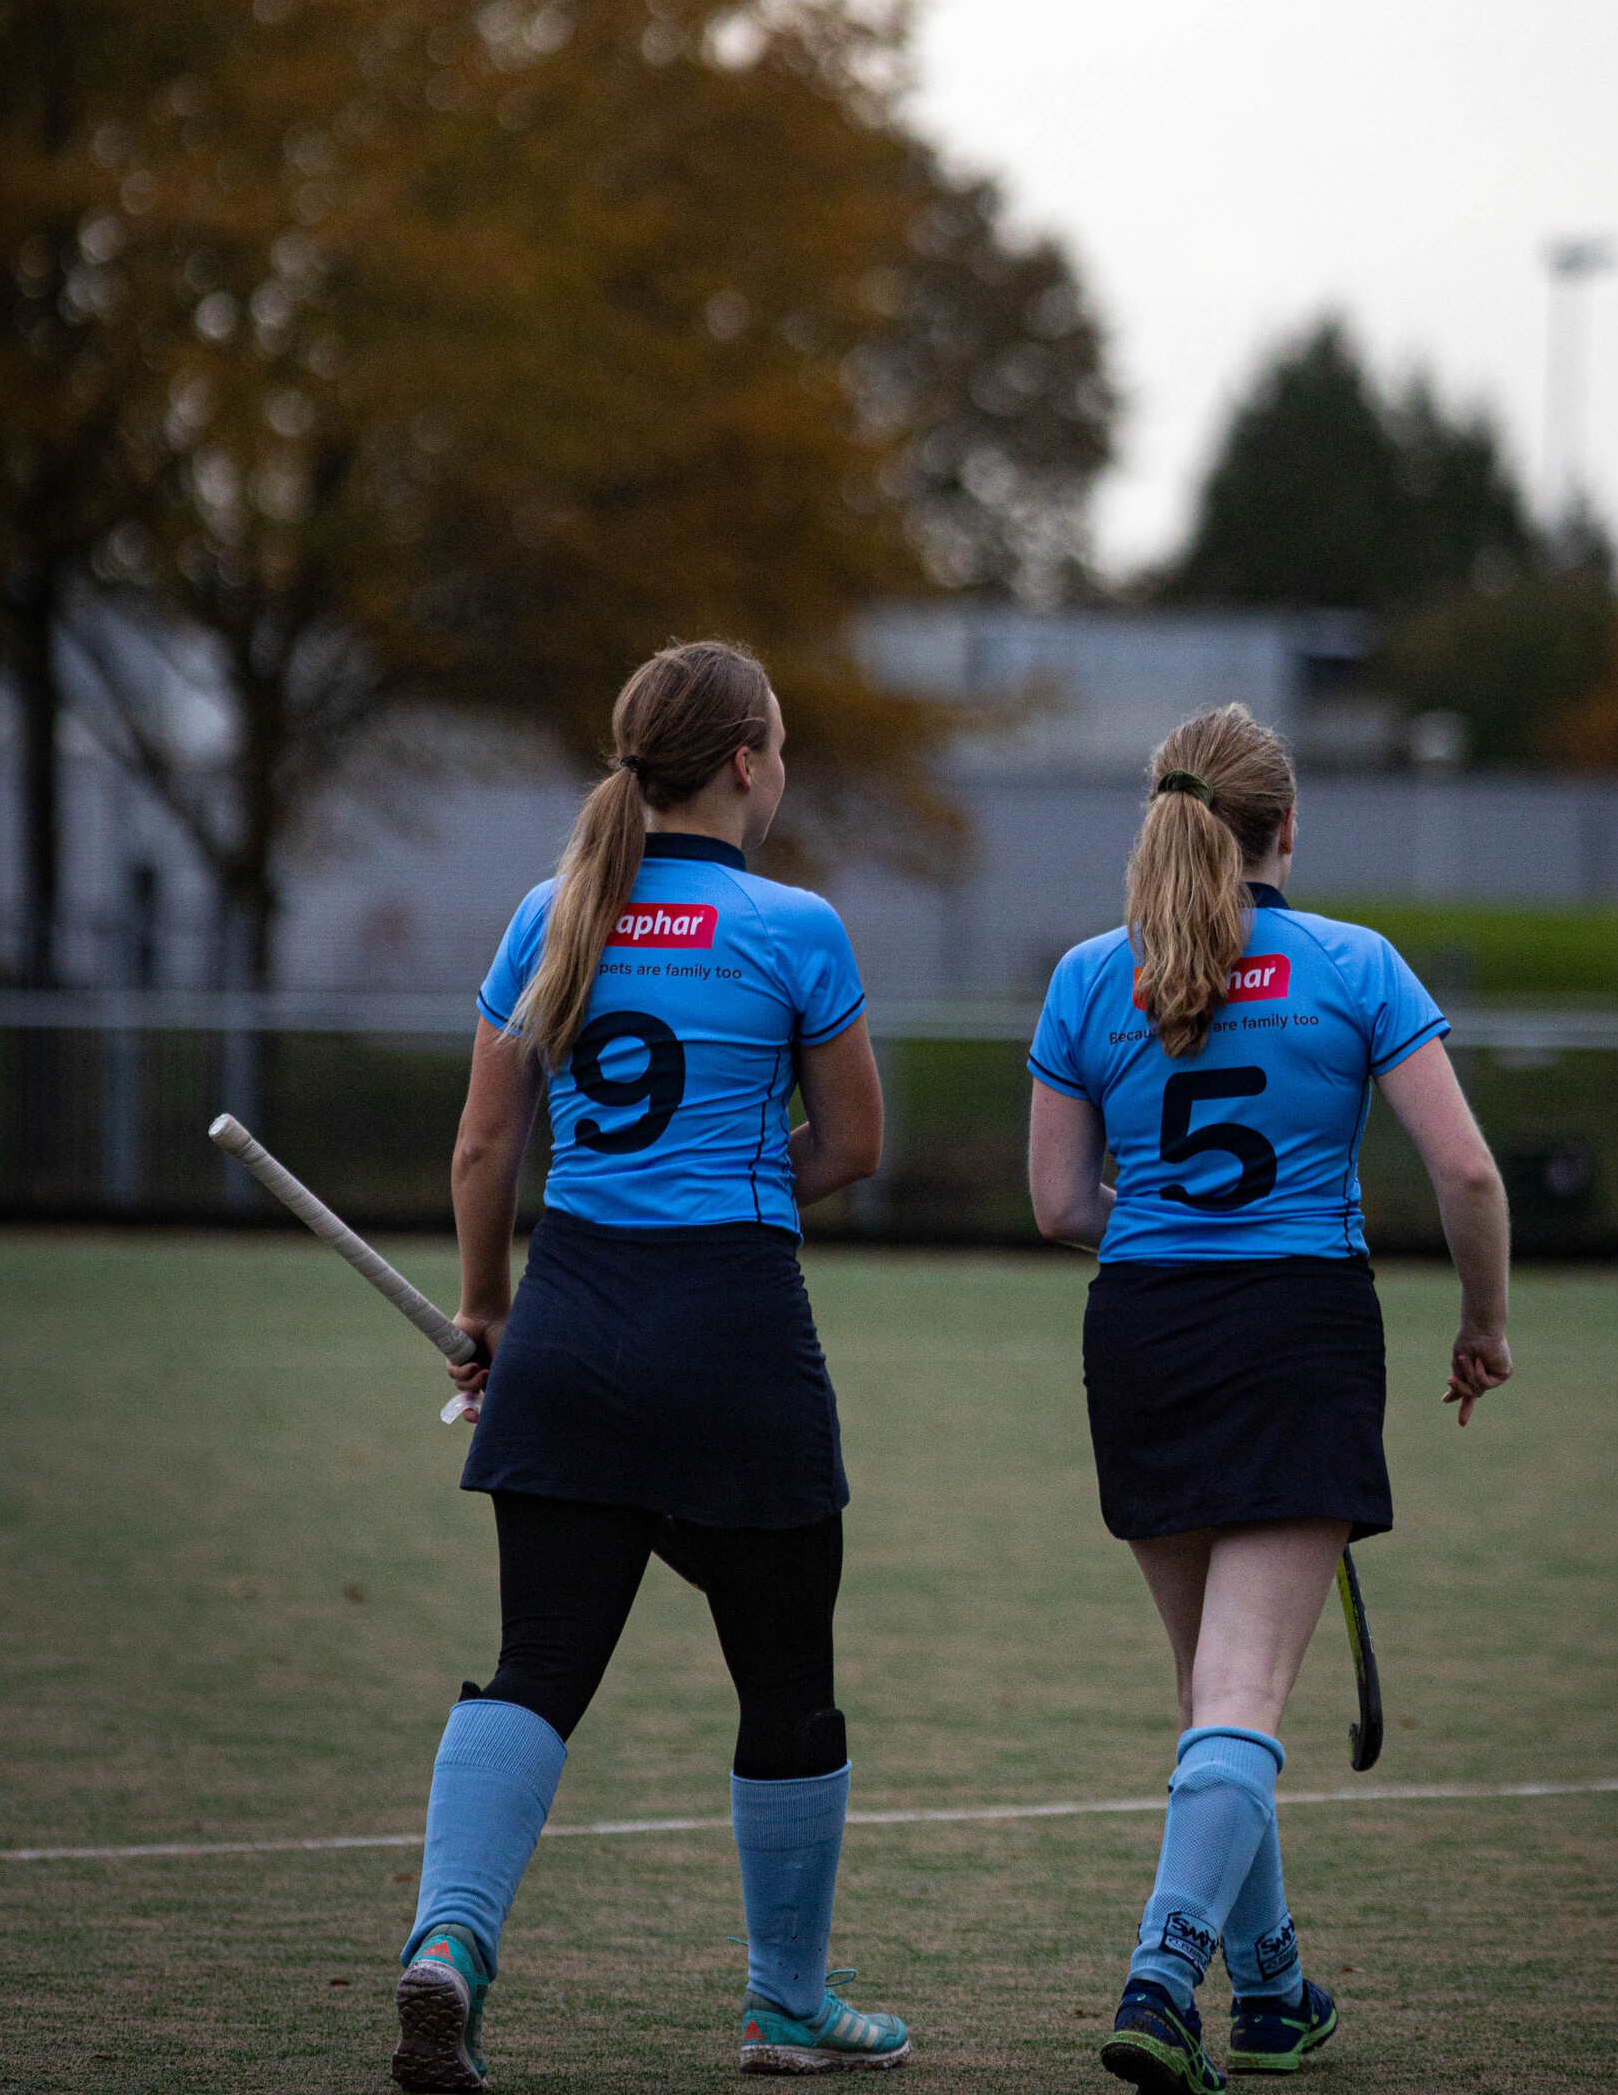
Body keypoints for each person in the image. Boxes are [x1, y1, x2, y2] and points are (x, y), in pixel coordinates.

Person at [390, 639, 912, 2091]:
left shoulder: (550, 911)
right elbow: (858, 1146)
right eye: (786, 745)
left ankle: (447, 1947)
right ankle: (787, 2009)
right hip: (737, 1332)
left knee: (536, 1668)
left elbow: (486, 1142)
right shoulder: (797, 925)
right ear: (746, 762)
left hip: (572, 1319)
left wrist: (490, 1309)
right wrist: (738, 1183)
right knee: (786, 1683)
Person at [1027, 705, 1512, 2094]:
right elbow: (1470, 1177)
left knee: (1210, 1698)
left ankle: (1278, 1991)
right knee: (1239, 1693)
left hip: (1143, 1334)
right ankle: (1164, 1978)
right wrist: (1483, 1325)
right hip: (1299, 1326)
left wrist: (1165, 1220)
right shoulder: (1356, 966)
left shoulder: (1085, 978)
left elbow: (1062, 1203)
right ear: (1285, 831)